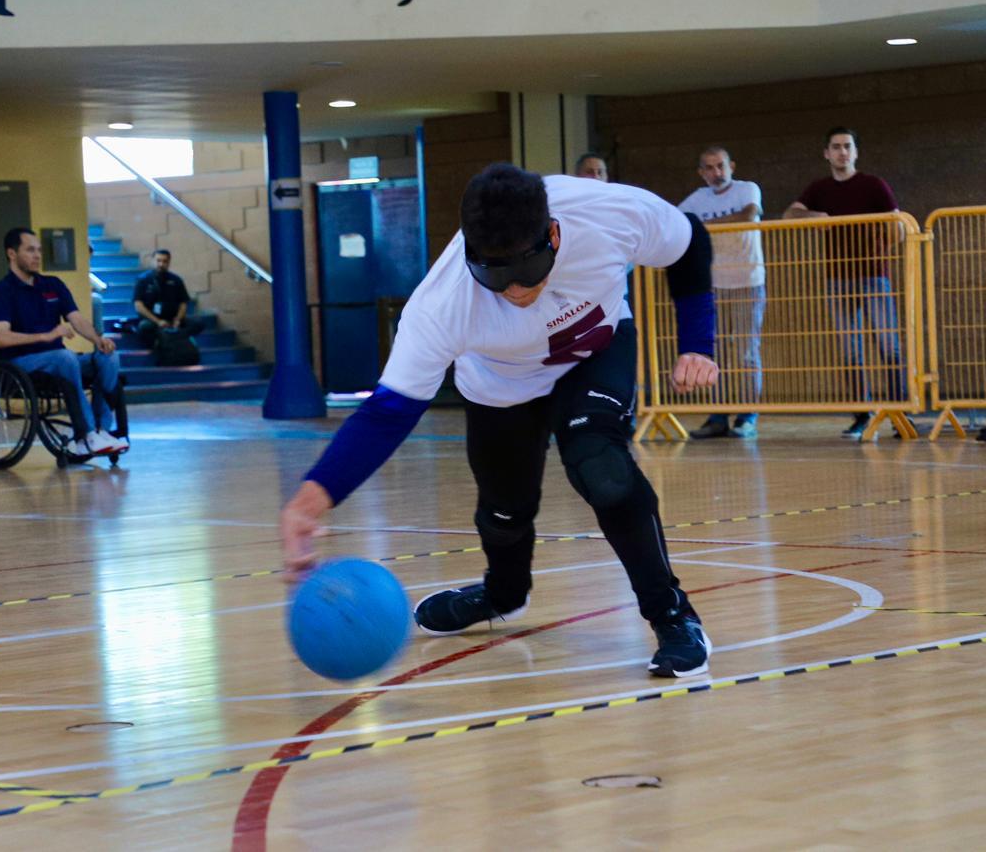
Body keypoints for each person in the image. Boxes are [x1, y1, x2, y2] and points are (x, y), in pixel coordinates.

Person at [281, 163, 721, 677]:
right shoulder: (441, 304)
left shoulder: (606, 212)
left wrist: (697, 342)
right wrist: (310, 500)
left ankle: (673, 616)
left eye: (526, 271)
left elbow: (692, 244)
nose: (514, 290)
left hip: (595, 352)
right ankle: (502, 594)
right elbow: (387, 413)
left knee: (602, 468)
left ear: (553, 235)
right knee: (504, 511)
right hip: (500, 386)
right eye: (495, 275)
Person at [783, 127, 905, 439]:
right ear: (826, 153)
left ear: (856, 151)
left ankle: (900, 415)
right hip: (838, 279)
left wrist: (877, 246)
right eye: (836, 147)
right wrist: (813, 216)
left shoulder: (873, 184)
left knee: (888, 345)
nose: (842, 152)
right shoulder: (819, 188)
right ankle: (861, 415)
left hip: (874, 276)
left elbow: (897, 225)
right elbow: (789, 215)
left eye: (847, 146)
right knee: (850, 349)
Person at [0, 228, 127, 456]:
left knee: (109, 357)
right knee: (65, 357)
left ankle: (103, 430)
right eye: (30, 250)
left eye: (39, 250)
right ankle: (86, 434)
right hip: (22, 363)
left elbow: (76, 319)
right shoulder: (1, 292)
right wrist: (46, 336)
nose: (37, 255)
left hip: (59, 361)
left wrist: (98, 340)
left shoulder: (52, 285)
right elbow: (2, 338)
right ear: (12, 254)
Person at [678, 146, 765, 439]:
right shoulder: (695, 200)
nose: (717, 173)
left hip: (747, 280)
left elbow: (748, 215)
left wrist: (702, 226)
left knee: (745, 352)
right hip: (712, 284)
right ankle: (718, 416)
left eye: (721, 166)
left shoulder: (747, 190)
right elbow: (678, 223)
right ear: (701, 173)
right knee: (713, 353)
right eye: (710, 168)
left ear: (732, 166)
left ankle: (747, 415)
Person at [133, 249, 205, 349]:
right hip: (153, 321)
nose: (161, 264)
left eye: (164, 261)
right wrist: (158, 322)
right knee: (144, 327)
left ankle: (176, 338)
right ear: (153, 261)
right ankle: (160, 344)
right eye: (158, 261)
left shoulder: (176, 280)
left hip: (173, 320)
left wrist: (178, 319)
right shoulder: (143, 280)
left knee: (198, 324)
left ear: (169, 262)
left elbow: (183, 303)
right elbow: (138, 306)